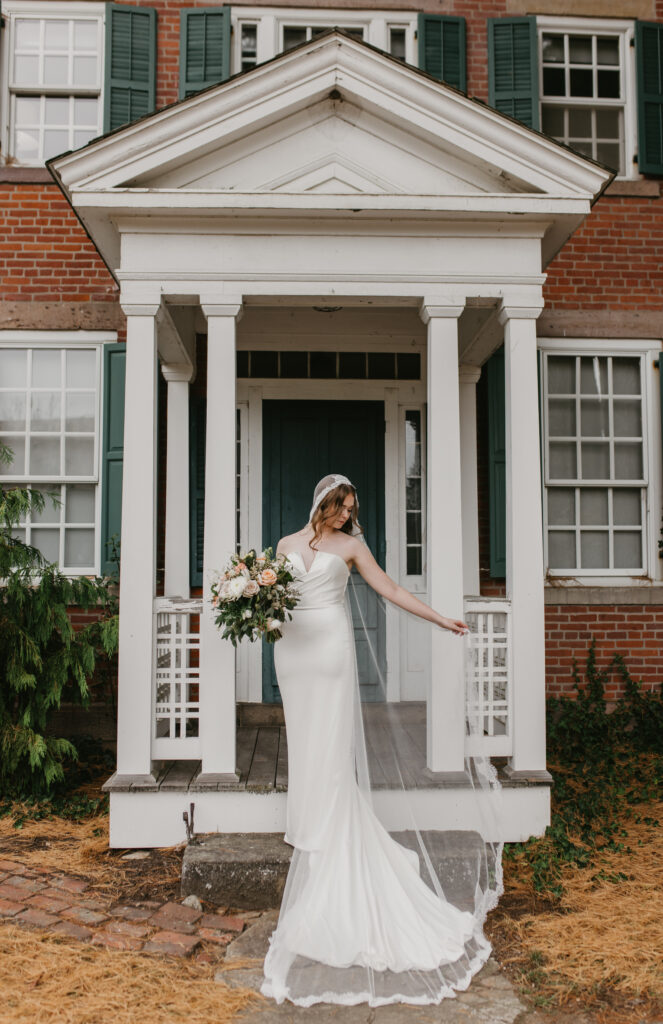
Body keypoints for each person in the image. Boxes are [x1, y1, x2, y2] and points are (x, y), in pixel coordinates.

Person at [260, 473, 502, 1007]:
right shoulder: (284, 546)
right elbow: (271, 600)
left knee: (329, 756)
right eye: (340, 506)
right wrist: (253, 611)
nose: (346, 514)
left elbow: (389, 589)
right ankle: (318, 857)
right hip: (292, 655)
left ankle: (333, 874)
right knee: (306, 755)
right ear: (321, 502)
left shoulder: (351, 547)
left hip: (330, 651)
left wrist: (441, 619)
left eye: (351, 508)